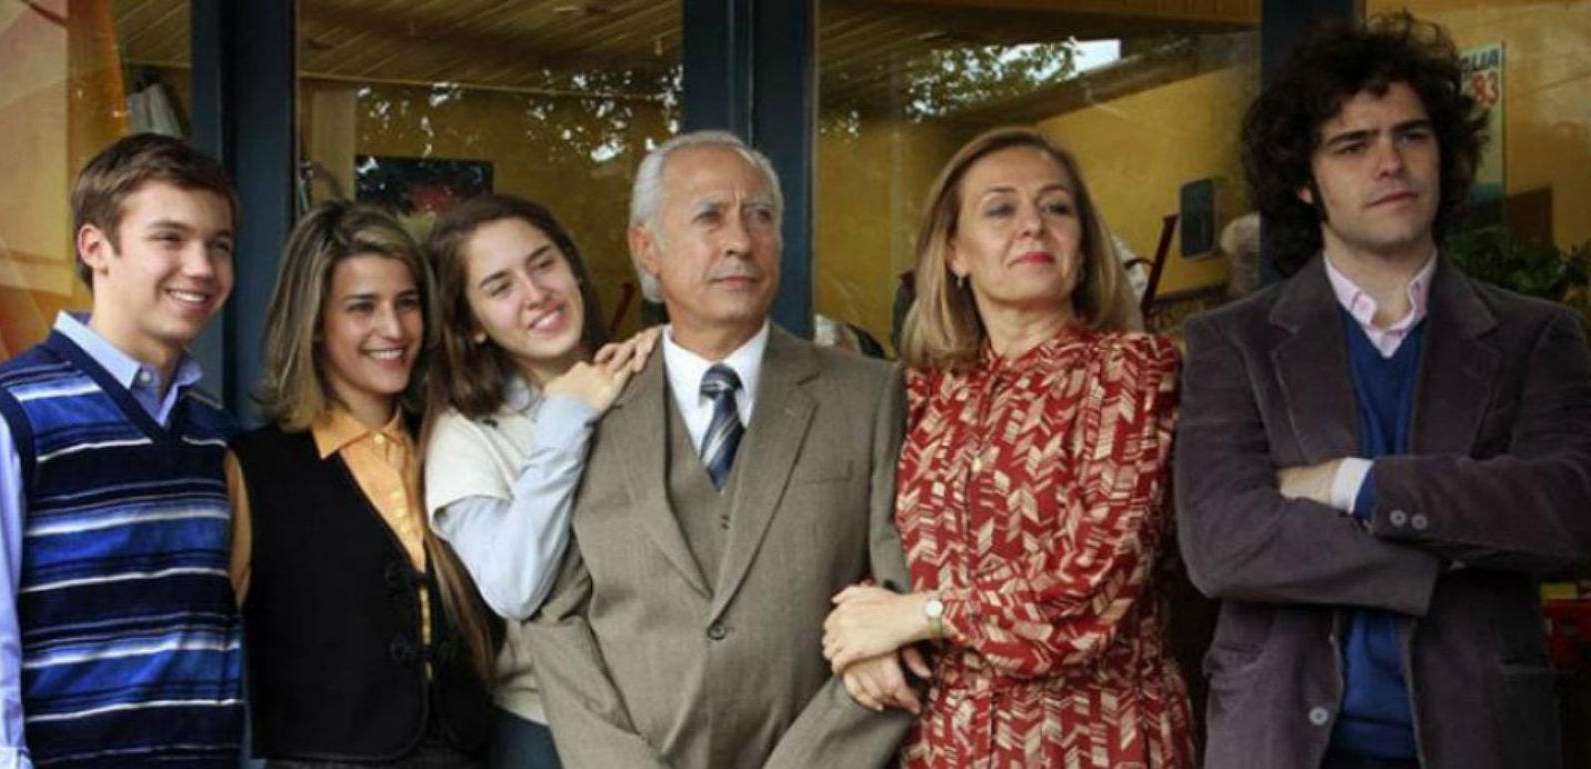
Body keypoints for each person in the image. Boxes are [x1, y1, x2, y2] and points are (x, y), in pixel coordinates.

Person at [1175, 13, 1591, 769]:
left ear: (1445, 154)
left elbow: (1565, 512)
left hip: (1483, 740)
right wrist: (1443, 556)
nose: (1390, 163)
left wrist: (1351, 483)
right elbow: (1224, 545)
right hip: (1285, 745)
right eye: (1353, 145)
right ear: (1305, 180)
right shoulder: (1232, 343)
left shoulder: (1538, 337)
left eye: (1412, 136)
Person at [522, 130, 914, 769]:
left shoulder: (868, 396)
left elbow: (902, 602)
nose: (740, 240)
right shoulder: (589, 408)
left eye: (759, 216)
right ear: (646, 248)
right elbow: (553, 616)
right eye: (710, 216)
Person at [820, 126, 1195, 768]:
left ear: (1082, 245)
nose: (1033, 226)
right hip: (943, 746)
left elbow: (1093, 584)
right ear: (954, 252)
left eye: (1057, 207)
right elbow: (866, 549)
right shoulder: (920, 395)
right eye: (1000, 209)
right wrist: (866, 639)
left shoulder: (1129, 371)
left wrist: (919, 615)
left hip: (1095, 739)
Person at [0, 133, 244, 767]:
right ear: (95, 247)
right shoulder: (12, 413)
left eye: (219, 244)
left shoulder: (216, 432)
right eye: (170, 238)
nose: (202, 267)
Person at [228, 201, 493, 767]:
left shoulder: (457, 444)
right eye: (362, 307)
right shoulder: (252, 468)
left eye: (407, 303)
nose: (393, 329)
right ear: (313, 326)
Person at [420, 194, 654, 769]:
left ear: (573, 268)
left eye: (543, 263)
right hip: (546, 729)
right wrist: (565, 419)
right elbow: (514, 585)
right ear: (471, 324)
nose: (535, 293)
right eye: (499, 287)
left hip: (676, 713)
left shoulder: (647, 375)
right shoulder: (464, 438)